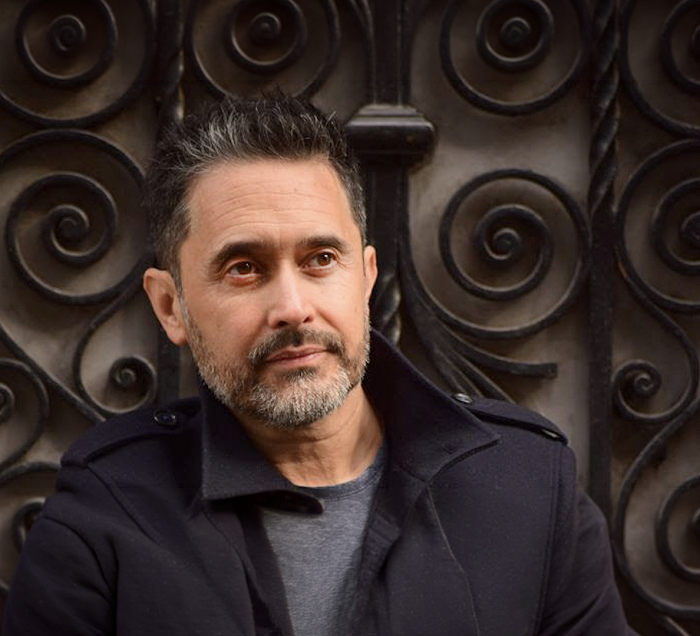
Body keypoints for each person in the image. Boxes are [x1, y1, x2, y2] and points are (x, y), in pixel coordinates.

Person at [2, 94, 633, 635]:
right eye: (243, 268)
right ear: (171, 307)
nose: (292, 307)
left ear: (366, 278)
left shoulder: (531, 489)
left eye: (320, 260)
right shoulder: (108, 510)